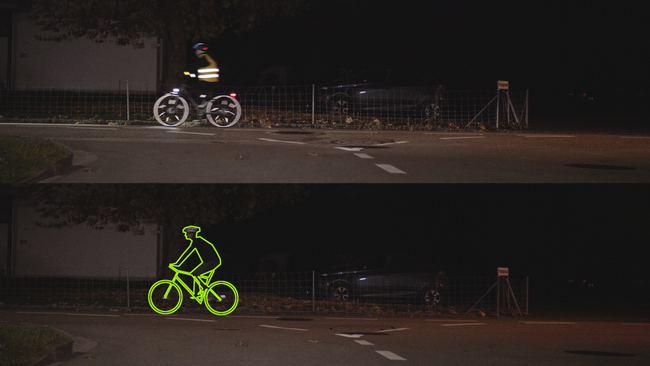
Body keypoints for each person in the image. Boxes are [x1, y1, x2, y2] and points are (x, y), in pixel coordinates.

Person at [170, 226, 222, 298]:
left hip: (212, 261)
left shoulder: (197, 241)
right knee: (195, 274)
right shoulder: (197, 241)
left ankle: (208, 293)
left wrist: (178, 264)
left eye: (187, 233)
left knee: (195, 274)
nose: (186, 235)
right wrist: (178, 264)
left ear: (192, 234)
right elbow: (188, 253)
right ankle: (197, 294)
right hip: (210, 261)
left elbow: (187, 253)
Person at [184, 43, 219, 120]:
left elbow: (195, 67)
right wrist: (190, 75)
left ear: (200, 50)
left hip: (209, 81)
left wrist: (185, 73)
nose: (195, 52)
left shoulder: (203, 57)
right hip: (210, 81)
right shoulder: (207, 57)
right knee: (200, 95)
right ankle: (203, 115)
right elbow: (197, 70)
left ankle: (206, 100)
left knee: (194, 89)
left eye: (196, 50)